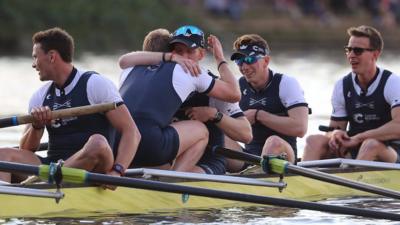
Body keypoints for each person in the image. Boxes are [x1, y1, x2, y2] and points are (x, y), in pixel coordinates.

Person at [0, 27, 141, 184]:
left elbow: (132, 132)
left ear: (52, 57)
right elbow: (26, 150)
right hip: (52, 165)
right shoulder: (39, 96)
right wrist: (37, 126)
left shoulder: (95, 84)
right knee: (3, 155)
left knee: (98, 142)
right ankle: (8, 197)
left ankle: (44, 183)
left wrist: (117, 172)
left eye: (35, 57)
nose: (33, 64)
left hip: (93, 167)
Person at [117, 26, 241, 172]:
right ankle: (172, 180)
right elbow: (235, 94)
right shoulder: (188, 69)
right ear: (171, 52)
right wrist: (220, 59)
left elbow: (122, 60)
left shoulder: (129, 69)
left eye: (189, 51)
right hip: (150, 146)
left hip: (119, 145)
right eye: (179, 52)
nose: (185, 57)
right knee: (200, 130)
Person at [302, 25, 400, 163]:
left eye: (358, 50)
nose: (351, 55)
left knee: (370, 144)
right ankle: (304, 181)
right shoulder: (342, 85)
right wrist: (335, 134)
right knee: (314, 141)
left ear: (375, 54)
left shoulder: (392, 83)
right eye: (349, 50)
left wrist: (359, 138)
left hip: (391, 151)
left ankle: (351, 180)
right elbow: (335, 128)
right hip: (355, 146)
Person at [225, 34, 309, 172]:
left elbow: (300, 128)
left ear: (266, 61)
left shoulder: (286, 83)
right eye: (240, 61)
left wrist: (259, 116)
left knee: (273, 141)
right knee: (212, 135)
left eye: (250, 59)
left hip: (283, 156)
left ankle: (254, 178)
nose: (244, 67)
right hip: (250, 158)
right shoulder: (237, 87)